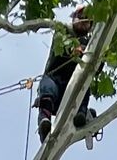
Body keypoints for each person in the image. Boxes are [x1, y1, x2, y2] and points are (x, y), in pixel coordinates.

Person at [37, 8, 95, 142]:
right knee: (47, 83)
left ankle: (81, 114)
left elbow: (96, 68)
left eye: (87, 21)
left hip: (72, 94)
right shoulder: (62, 31)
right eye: (81, 17)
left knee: (83, 82)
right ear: (74, 18)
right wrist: (74, 50)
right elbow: (60, 49)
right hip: (55, 87)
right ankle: (44, 123)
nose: (83, 22)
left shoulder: (91, 43)